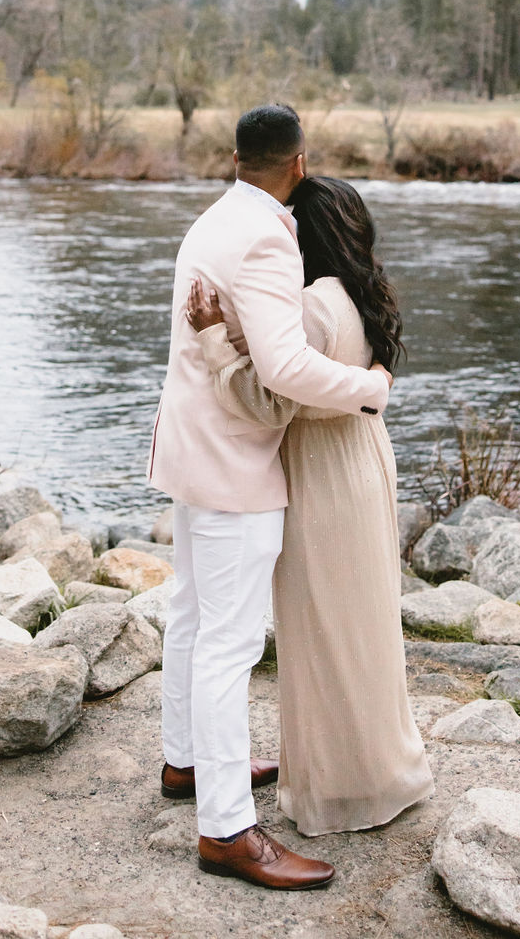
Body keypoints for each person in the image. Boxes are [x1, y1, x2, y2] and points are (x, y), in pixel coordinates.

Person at [148, 104, 392, 890]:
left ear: (234, 157)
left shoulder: (212, 219)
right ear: (298, 162)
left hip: (189, 450)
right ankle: (226, 831)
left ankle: (186, 761)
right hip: (235, 464)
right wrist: (366, 388)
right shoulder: (267, 235)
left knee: (190, 617)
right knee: (228, 644)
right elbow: (285, 370)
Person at [186, 175, 433, 837]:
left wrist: (214, 340)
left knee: (322, 630)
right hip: (365, 457)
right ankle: (383, 767)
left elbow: (270, 399)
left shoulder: (312, 305)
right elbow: (307, 372)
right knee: (366, 623)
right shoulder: (362, 292)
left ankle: (336, 787)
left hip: (323, 474)